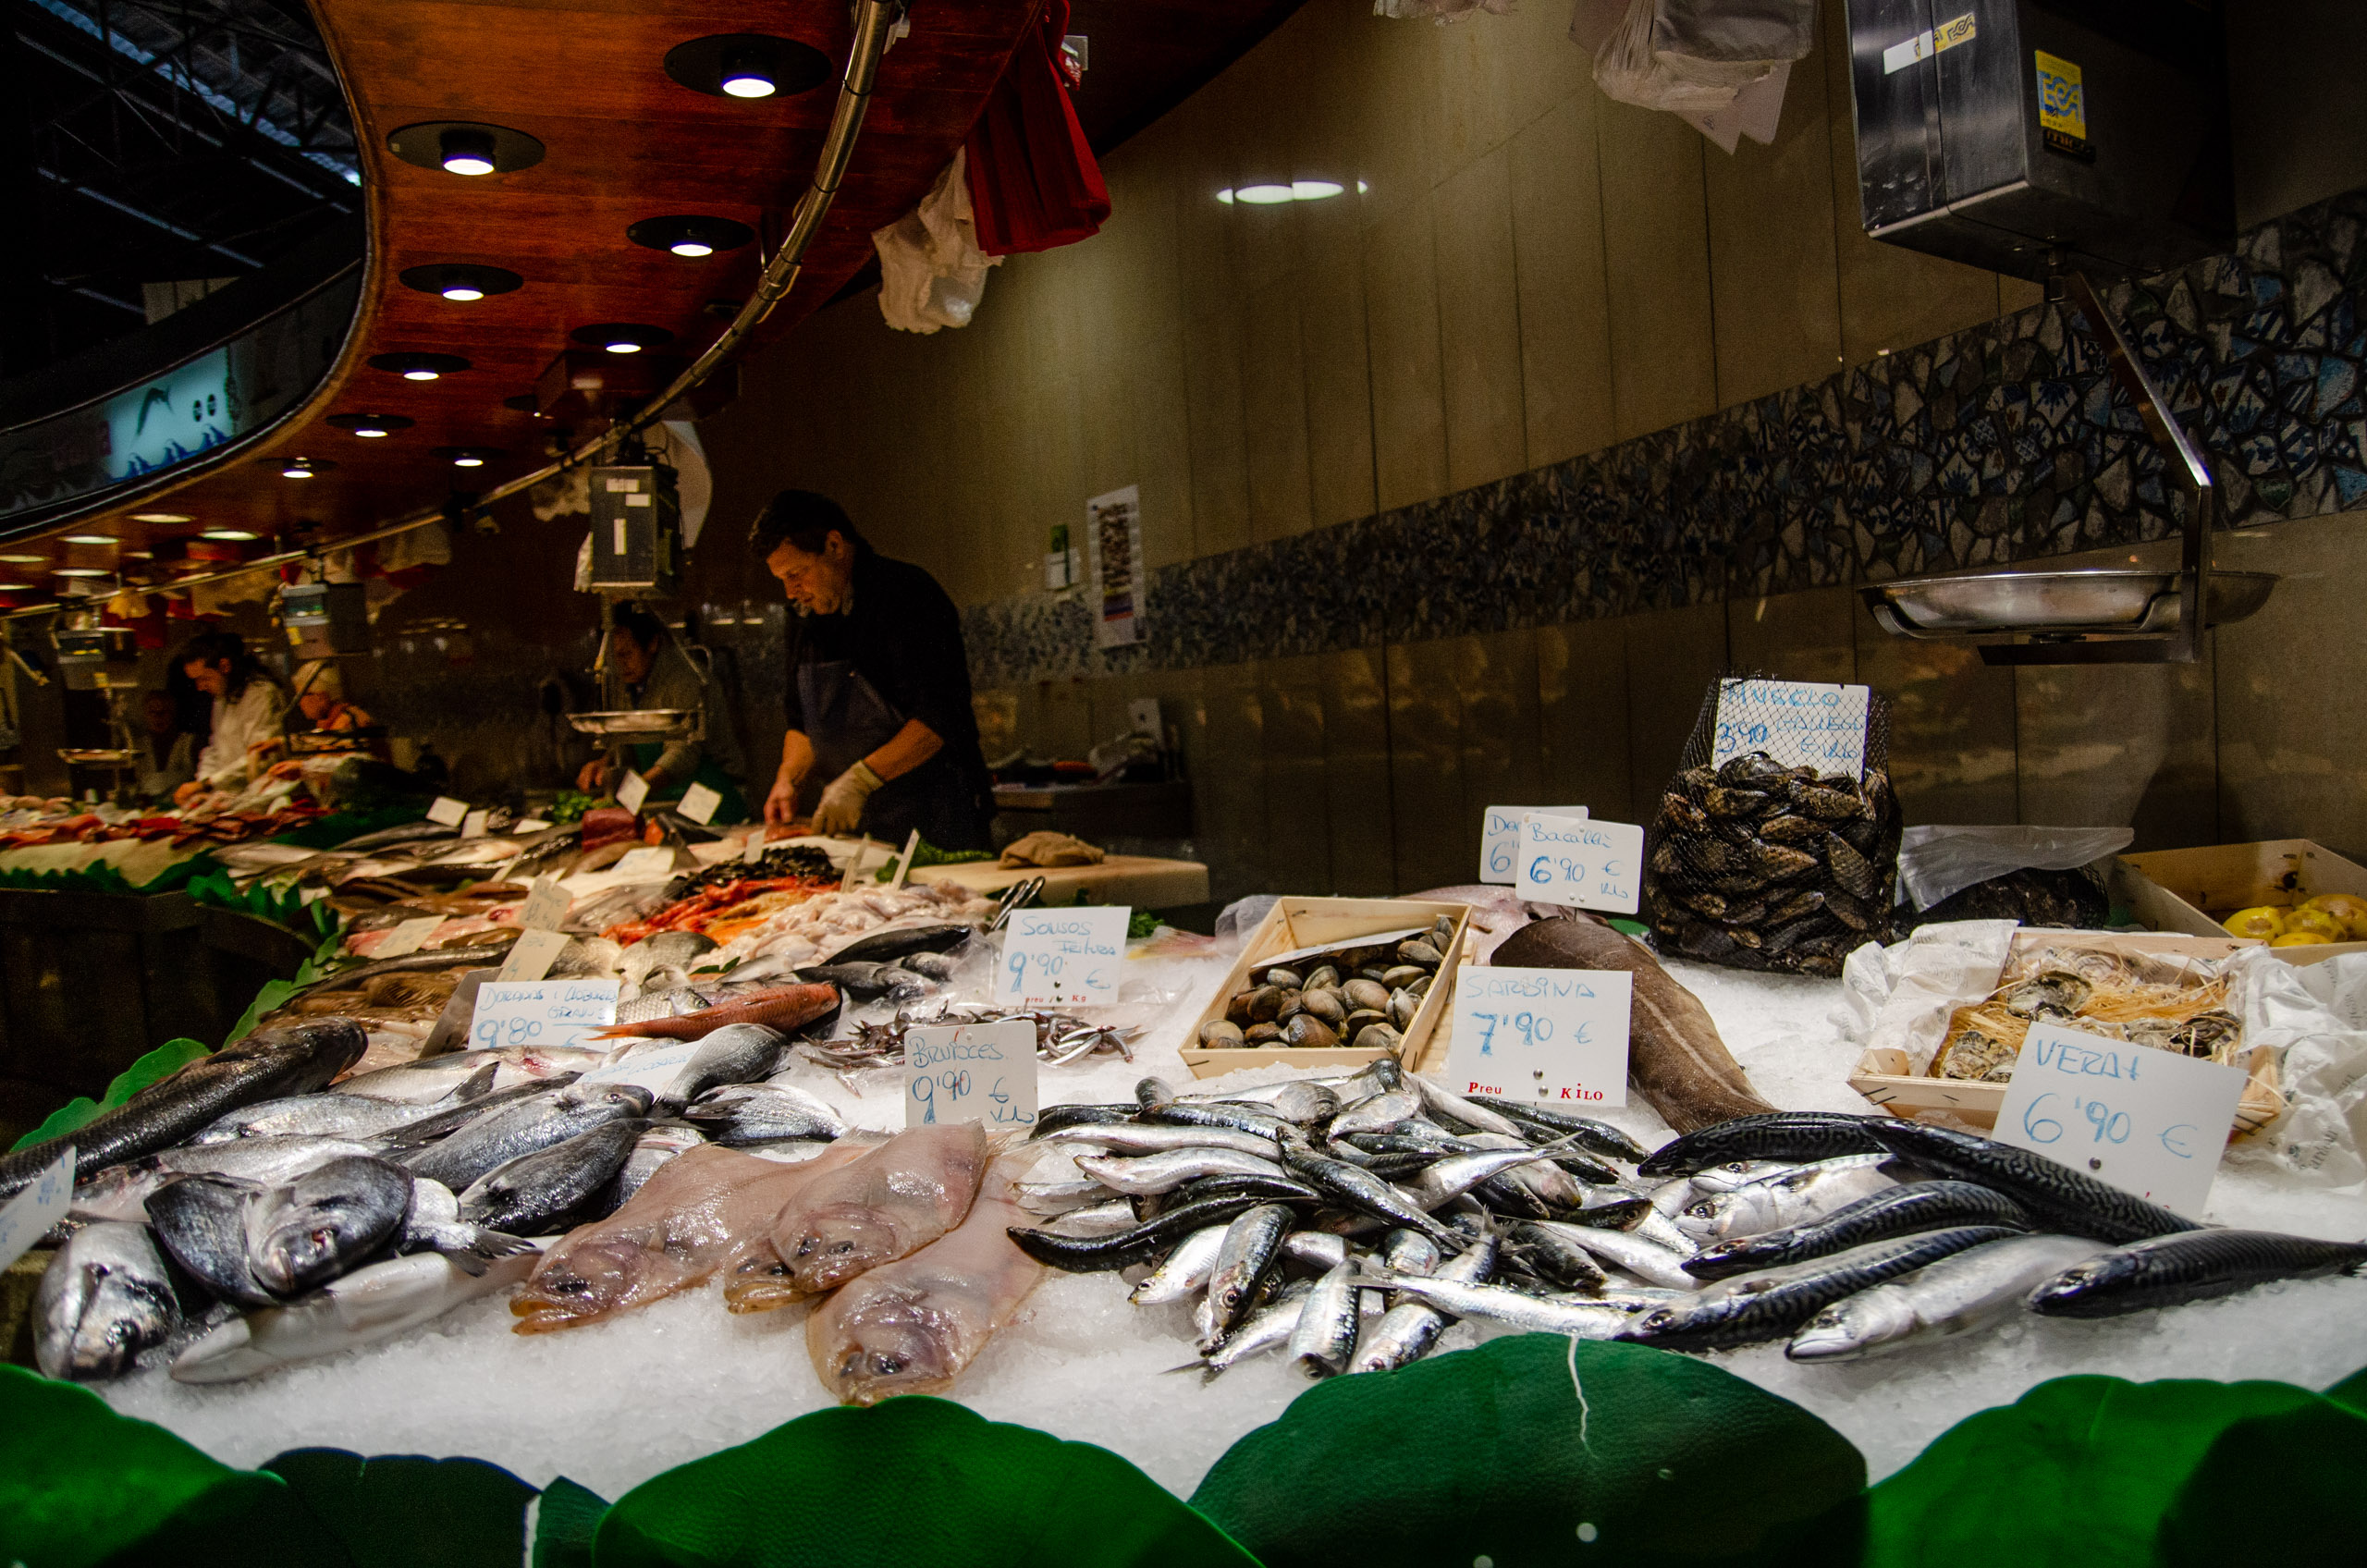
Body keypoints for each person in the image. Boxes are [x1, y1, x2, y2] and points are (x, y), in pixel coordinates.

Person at [755, 490, 994, 850]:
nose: (791, 591)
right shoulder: (804, 618)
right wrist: (788, 778)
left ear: (834, 546)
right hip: (858, 829)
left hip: (937, 822)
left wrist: (859, 781)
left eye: (797, 573)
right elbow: (801, 724)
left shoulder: (908, 595)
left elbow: (937, 717)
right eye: (782, 579)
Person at [575, 604, 748, 821]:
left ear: (653, 643)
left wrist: (629, 796)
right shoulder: (628, 684)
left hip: (711, 795)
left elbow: (683, 754)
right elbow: (631, 740)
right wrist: (605, 762)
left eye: (627, 654)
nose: (621, 664)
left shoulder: (684, 680)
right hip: (667, 798)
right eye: (615, 657)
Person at [172, 631, 287, 805]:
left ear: (225, 666)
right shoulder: (221, 699)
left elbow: (260, 757)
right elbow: (214, 750)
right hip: (228, 798)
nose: (200, 687)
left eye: (205, 678)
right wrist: (202, 787)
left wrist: (207, 784)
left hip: (263, 798)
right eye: (196, 681)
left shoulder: (261, 693)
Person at [134, 690, 195, 800]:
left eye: (164, 712)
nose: (158, 717)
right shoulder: (138, 746)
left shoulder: (188, 742)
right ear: (145, 715)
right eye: (152, 712)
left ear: (173, 714)